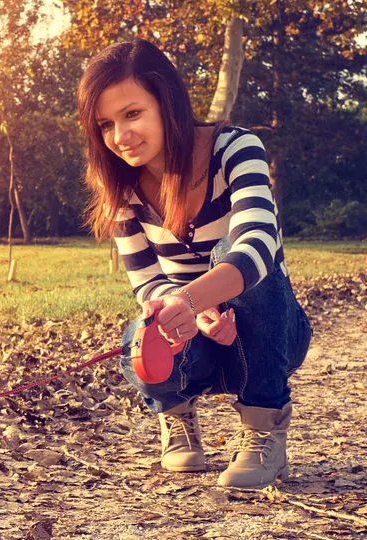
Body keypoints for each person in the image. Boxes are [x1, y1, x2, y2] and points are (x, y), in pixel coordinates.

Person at [77, 38, 312, 488]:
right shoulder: (123, 191)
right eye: (106, 124)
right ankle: (176, 415)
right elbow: (146, 283)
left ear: (167, 102)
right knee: (139, 333)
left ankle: (264, 430)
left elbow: (259, 245)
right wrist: (188, 314)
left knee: (233, 252)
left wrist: (191, 297)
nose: (120, 137)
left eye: (132, 114)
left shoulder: (236, 149)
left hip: (272, 333)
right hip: (197, 345)